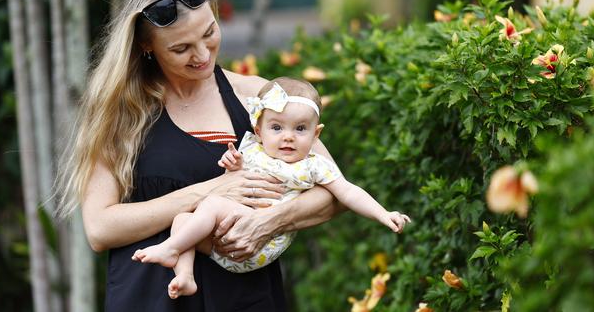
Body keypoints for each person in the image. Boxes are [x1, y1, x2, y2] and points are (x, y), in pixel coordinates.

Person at [55, 0, 345, 312]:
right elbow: (100, 228)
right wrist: (210, 190)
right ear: (146, 45)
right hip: (150, 301)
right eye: (182, 48)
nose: (203, 55)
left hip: (246, 300)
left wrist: (270, 222)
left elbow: (334, 192)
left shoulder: (257, 97)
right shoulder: (121, 112)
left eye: (210, 32)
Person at [131, 78, 411, 298]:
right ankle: (185, 275)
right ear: (258, 129)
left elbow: (348, 192)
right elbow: (236, 183)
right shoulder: (252, 148)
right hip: (224, 240)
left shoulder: (313, 165)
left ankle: (169, 248)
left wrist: (383, 213)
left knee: (211, 205)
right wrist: (233, 165)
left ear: (316, 134)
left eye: (300, 129)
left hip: (262, 242)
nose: (288, 137)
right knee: (182, 219)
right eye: (277, 128)